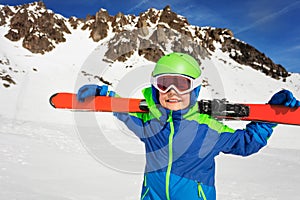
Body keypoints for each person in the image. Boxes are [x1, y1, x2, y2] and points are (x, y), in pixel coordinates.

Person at [77, 52, 300, 200]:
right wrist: (104, 96)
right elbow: (123, 111)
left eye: (181, 84)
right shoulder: (149, 119)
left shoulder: (208, 127)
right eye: (164, 84)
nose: (172, 92)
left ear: (194, 89)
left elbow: (245, 144)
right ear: (155, 89)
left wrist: (270, 116)